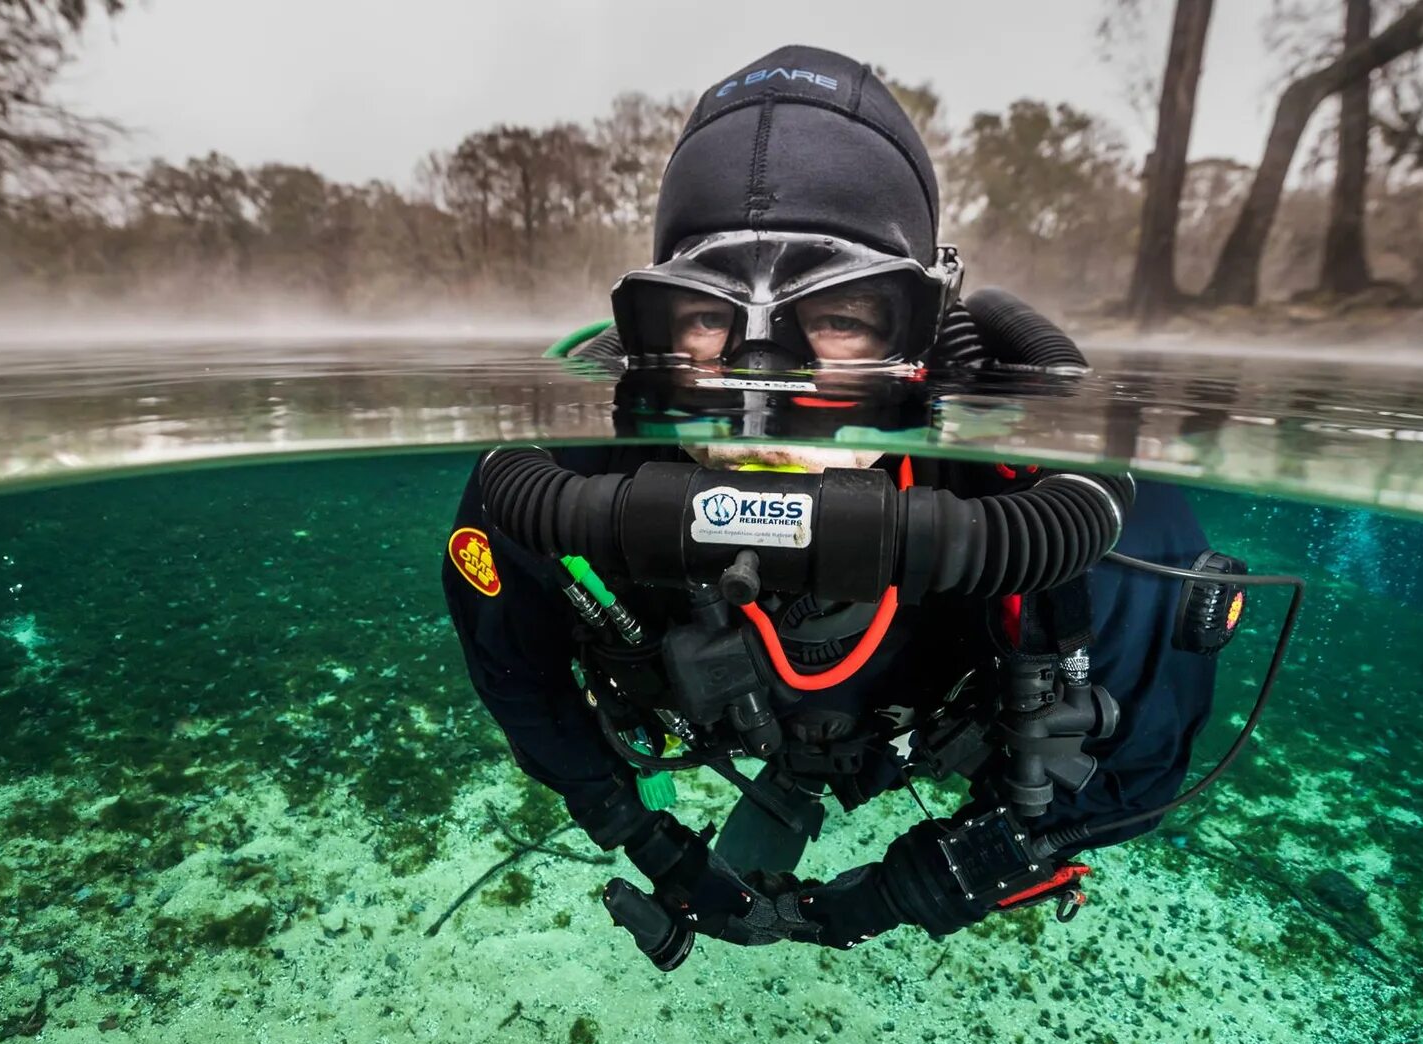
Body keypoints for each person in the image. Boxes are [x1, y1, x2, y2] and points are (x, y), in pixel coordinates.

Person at [441, 45, 1236, 963]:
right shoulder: (546, 486)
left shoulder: (1082, 510)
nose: (764, 389)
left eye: (844, 317)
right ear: (650, 325)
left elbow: (1134, 772)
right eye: (707, 317)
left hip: (916, 730)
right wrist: (642, 834)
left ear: (926, 327)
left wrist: (913, 887)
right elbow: (518, 674)